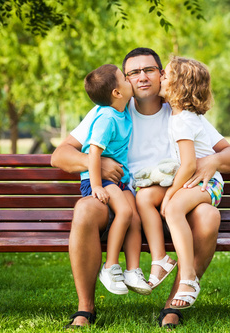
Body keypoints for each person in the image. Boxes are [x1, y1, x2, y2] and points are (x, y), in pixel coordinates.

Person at [51, 47, 230, 328]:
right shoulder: (109, 110)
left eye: (149, 70)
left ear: (162, 74)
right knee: (85, 209)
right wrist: (99, 164)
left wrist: (211, 161)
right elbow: (60, 155)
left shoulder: (180, 110)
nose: (142, 77)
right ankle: (85, 309)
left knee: (209, 215)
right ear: (124, 82)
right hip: (122, 201)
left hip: (171, 201)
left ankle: (175, 303)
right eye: (133, 72)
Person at [80, 64, 151, 296]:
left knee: (135, 218)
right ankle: (110, 266)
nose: (131, 80)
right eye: (125, 77)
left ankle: (133, 270)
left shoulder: (122, 111)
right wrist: (97, 185)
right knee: (124, 212)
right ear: (117, 93)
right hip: (100, 180)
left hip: (119, 181)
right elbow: (93, 152)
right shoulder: (106, 119)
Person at [159, 56, 224, 309]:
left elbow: (188, 165)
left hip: (208, 185)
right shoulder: (182, 117)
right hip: (201, 184)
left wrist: (170, 194)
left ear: (178, 86)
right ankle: (186, 275)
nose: (161, 77)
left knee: (173, 209)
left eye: (166, 76)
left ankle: (187, 276)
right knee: (175, 209)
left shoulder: (183, 120)